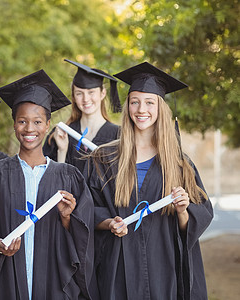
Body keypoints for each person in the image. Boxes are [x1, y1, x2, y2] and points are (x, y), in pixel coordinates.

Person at [84, 62, 213, 299]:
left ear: (160, 108)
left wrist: (183, 210)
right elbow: (88, 208)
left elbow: (198, 217)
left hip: (164, 268)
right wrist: (109, 223)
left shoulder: (178, 163)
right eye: (134, 101)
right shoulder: (103, 158)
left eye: (149, 102)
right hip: (117, 268)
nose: (141, 109)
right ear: (127, 106)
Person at [0, 70, 94, 299]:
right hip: (6, 282)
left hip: (53, 282)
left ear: (47, 125)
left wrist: (66, 218)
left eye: (37, 122)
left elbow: (83, 241)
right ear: (14, 124)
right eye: (22, 121)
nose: (29, 129)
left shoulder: (69, 176)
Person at [43, 59, 121, 173]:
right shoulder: (61, 133)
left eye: (91, 92)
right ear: (74, 96)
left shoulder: (118, 136)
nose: (85, 99)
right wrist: (62, 150)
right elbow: (49, 179)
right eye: (79, 93)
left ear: (103, 93)